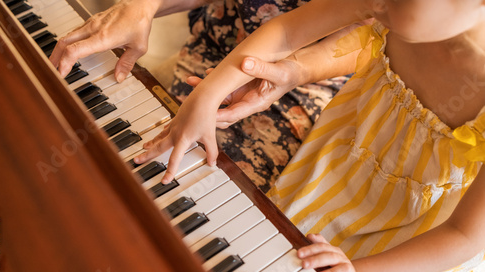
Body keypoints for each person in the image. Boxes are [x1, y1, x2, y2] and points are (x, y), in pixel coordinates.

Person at [130, 0, 485, 272]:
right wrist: (208, 94)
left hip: (407, 249)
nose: (374, 7)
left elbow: (464, 236)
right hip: (331, 173)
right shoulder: (393, 5)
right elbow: (287, 32)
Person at [49, 0, 351, 192]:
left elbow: (369, 41)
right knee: (90, 145)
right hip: (214, 47)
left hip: (298, 86)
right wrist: (141, 6)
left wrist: (290, 72)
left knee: (193, 188)